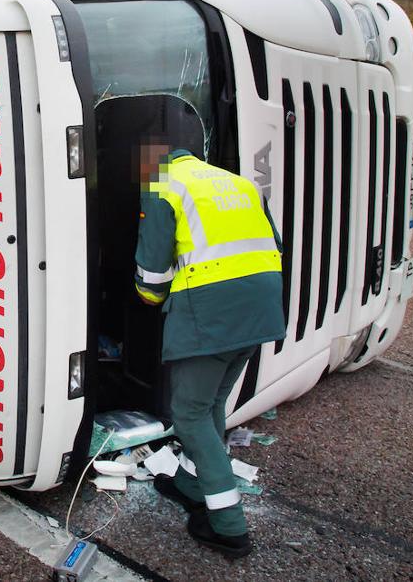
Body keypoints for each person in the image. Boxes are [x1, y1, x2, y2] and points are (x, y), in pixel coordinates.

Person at [134, 141, 285, 559]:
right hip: (262, 305)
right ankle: (190, 483)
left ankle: (228, 524)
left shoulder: (162, 184)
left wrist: (149, 299)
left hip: (212, 310)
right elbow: (274, 244)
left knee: (189, 413)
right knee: (212, 401)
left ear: (149, 163)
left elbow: (151, 275)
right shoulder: (236, 182)